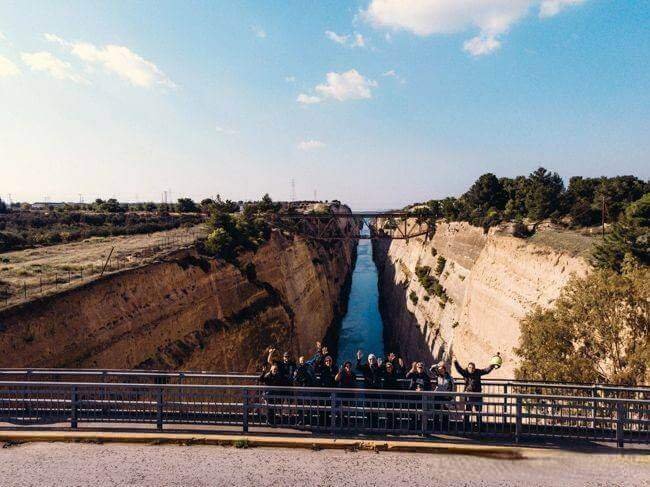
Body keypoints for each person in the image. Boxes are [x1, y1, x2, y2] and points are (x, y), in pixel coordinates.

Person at [454, 358, 496, 431]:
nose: (471, 369)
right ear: (468, 368)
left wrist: (492, 365)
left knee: (478, 413)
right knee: (467, 412)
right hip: (469, 396)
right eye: (470, 367)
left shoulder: (478, 372)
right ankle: (465, 428)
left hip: (478, 395)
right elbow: (459, 370)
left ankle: (480, 428)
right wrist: (455, 362)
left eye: (473, 367)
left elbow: (486, 370)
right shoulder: (465, 372)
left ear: (475, 368)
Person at [429, 361, 454, 431]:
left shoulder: (449, 378)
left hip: (446, 397)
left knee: (445, 413)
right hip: (437, 396)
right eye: (439, 369)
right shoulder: (438, 375)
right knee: (436, 412)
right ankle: (435, 427)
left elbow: (451, 387)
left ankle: (445, 428)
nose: (440, 370)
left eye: (442, 369)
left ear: (444, 369)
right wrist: (438, 365)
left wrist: (450, 397)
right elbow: (431, 369)